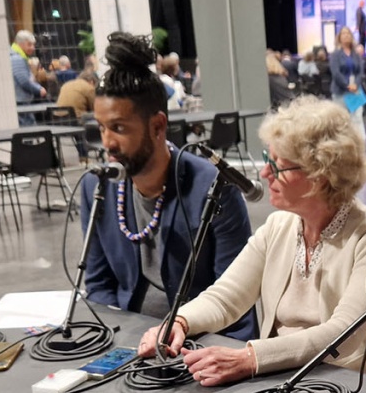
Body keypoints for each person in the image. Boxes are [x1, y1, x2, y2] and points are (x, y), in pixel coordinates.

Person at [137, 96, 366, 384]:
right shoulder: (278, 226)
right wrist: (180, 321)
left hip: (365, 382)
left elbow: (344, 333)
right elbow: (226, 297)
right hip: (291, 376)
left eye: (277, 165)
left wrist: (250, 358)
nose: (264, 172)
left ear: (320, 175)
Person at [79, 33, 255, 339]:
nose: (107, 143)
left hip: (197, 341)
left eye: (118, 128)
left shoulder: (214, 189)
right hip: (126, 339)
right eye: (102, 128)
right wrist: (117, 345)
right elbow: (99, 287)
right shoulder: (96, 186)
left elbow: (236, 302)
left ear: (158, 126)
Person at [330, 26, 366, 142]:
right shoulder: (335, 55)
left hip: (355, 91)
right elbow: (336, 73)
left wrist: (356, 84)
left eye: (348, 33)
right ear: (339, 38)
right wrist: (347, 85)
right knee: (341, 120)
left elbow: (360, 72)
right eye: (343, 33)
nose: (346, 35)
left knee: (357, 118)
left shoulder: (356, 54)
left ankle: (361, 143)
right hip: (340, 91)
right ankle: (343, 144)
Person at [10, 29, 46, 125]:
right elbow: (24, 80)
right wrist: (39, 89)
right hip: (21, 101)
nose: (33, 48)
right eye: (29, 45)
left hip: (20, 100)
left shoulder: (17, 57)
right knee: (29, 128)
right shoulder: (17, 58)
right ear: (20, 44)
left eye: (33, 45)